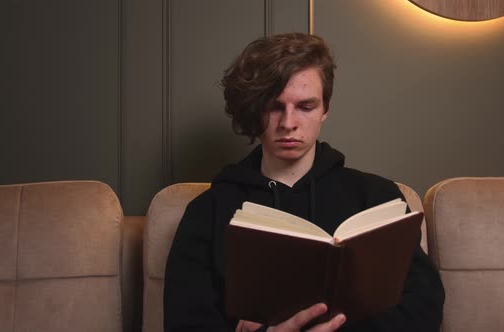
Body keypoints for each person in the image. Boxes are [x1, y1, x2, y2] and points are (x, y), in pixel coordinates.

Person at [164, 32, 444, 332]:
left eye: (305, 106)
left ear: (326, 108)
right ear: (253, 108)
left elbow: (424, 306)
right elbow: (183, 322)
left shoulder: (378, 197)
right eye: (274, 106)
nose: (288, 123)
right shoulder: (208, 211)